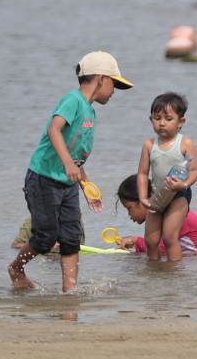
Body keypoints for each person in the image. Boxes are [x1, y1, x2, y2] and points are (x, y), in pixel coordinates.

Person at [7, 51, 133, 291]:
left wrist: (86, 185)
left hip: (67, 184)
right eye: (114, 83)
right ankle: (16, 267)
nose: (114, 90)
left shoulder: (90, 112)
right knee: (45, 237)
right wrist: (66, 164)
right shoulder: (73, 100)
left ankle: (69, 292)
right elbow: (54, 130)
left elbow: (76, 157)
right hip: (43, 178)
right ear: (101, 78)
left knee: (71, 238)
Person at [135, 92, 197, 261]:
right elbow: (143, 173)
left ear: (181, 121)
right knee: (151, 240)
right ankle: (154, 271)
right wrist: (143, 197)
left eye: (168, 119)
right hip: (157, 195)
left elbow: (195, 171)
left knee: (169, 238)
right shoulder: (149, 145)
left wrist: (184, 185)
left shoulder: (185, 143)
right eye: (157, 118)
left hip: (179, 195)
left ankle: (173, 273)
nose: (162, 123)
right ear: (151, 119)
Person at [115, 176, 197, 255]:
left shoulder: (174, 215)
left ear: (143, 200)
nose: (129, 215)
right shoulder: (163, 212)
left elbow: (160, 247)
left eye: (129, 208)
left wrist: (135, 241)